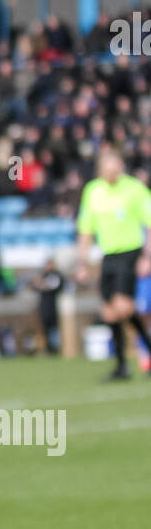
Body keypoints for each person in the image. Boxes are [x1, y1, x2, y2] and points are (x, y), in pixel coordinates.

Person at [75, 148, 151, 380]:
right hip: (108, 256)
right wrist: (82, 262)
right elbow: (86, 228)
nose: (111, 170)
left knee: (123, 307)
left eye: (114, 165)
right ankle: (121, 366)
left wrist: (147, 257)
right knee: (109, 313)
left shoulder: (134, 189)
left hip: (130, 252)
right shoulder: (93, 191)